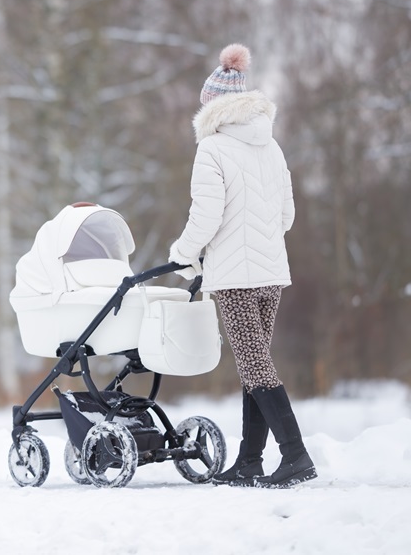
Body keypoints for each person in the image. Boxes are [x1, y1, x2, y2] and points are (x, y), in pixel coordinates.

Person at [167, 43, 317, 488]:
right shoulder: (272, 148)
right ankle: (250, 460)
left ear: (212, 108)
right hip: (271, 273)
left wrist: (183, 252)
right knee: (258, 364)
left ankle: (295, 456)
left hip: (233, 277)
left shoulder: (212, 149)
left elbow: (206, 216)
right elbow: (287, 217)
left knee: (255, 367)